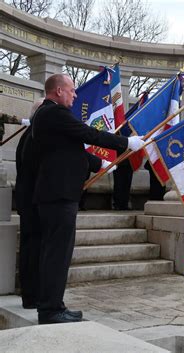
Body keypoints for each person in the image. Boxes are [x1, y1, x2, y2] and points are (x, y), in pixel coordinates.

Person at [32, 74, 145, 324]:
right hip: (58, 195)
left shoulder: (50, 116)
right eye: (72, 90)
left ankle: (54, 304)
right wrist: (127, 142)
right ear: (59, 91)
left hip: (57, 194)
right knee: (57, 254)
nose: (75, 95)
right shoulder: (53, 113)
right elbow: (88, 134)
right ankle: (50, 310)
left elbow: (71, 149)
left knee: (57, 253)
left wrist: (101, 163)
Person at [15, 98, 44, 309]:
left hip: (29, 199)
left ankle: (31, 294)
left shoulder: (29, 134)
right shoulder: (34, 135)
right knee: (33, 248)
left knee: (31, 247)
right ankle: (32, 295)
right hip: (34, 200)